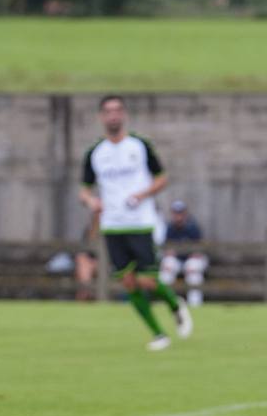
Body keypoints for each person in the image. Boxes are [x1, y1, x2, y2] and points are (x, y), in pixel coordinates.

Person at [79, 95, 192, 350]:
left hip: (140, 222)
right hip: (112, 225)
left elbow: (162, 178)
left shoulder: (139, 146)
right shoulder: (95, 153)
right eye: (108, 111)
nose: (113, 115)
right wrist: (91, 202)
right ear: (101, 117)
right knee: (128, 282)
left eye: (117, 110)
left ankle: (175, 304)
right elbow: (84, 189)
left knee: (148, 281)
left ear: (124, 115)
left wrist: (142, 194)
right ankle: (158, 335)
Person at [158, 200, 209, 308]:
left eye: (180, 213)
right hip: (177, 260)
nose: (178, 216)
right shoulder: (170, 228)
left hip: (191, 259)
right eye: (176, 213)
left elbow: (198, 250)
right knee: (166, 268)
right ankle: (167, 303)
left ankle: (195, 305)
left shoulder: (193, 227)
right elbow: (166, 248)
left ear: (185, 213)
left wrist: (192, 254)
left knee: (193, 270)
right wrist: (169, 253)